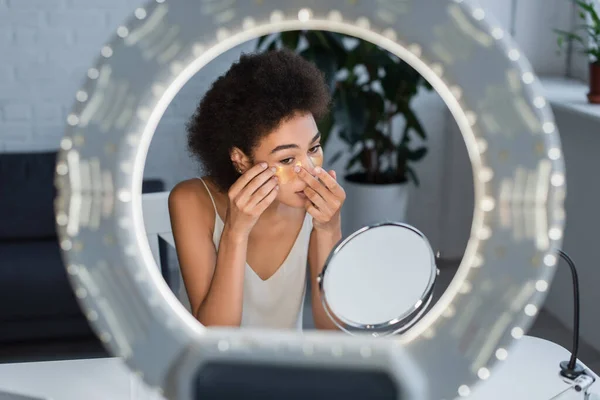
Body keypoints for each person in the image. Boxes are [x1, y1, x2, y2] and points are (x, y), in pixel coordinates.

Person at [168, 49, 345, 331]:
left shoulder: (314, 207)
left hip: (286, 368)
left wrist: (329, 229)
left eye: (314, 148)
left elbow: (333, 331)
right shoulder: (190, 201)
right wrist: (236, 233)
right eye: (287, 159)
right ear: (240, 159)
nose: (311, 170)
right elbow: (216, 336)